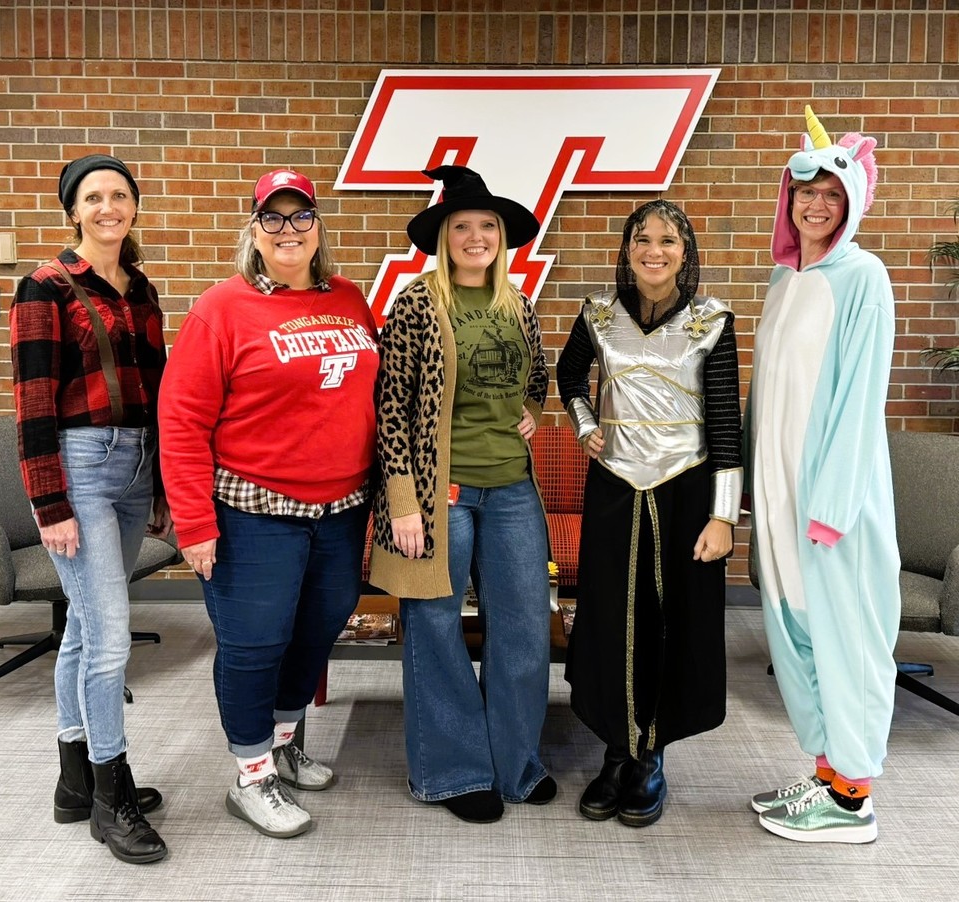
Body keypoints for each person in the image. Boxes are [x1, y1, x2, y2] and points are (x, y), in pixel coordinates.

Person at [158, 169, 378, 839]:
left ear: (318, 228)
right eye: (274, 218)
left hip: (340, 512)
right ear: (254, 231)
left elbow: (368, 401)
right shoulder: (221, 307)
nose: (289, 230)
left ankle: (282, 742)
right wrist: (194, 525)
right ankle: (250, 776)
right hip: (253, 511)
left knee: (317, 633)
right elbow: (182, 420)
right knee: (254, 646)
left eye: (301, 217)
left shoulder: (349, 298)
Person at [368, 165, 554, 824]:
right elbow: (390, 406)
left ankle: (515, 764)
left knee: (527, 627)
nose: (475, 237)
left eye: (487, 227)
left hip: (510, 489)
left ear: (501, 238)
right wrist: (400, 502)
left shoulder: (517, 303)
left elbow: (538, 368)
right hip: (438, 495)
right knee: (435, 628)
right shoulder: (418, 305)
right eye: (463, 227)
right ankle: (454, 771)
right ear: (444, 238)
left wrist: (534, 404)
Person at [556, 199, 742, 828]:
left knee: (671, 621)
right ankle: (615, 750)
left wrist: (724, 517)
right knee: (611, 619)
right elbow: (567, 375)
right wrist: (585, 425)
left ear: (685, 252)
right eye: (642, 239)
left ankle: (652, 755)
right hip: (613, 486)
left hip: (686, 490)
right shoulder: (598, 315)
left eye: (668, 239)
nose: (654, 250)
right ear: (627, 249)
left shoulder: (713, 321)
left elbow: (724, 423)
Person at [744, 106, 900, 844]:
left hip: (830, 509)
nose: (815, 204)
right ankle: (829, 772)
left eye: (831, 193)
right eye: (803, 190)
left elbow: (861, 399)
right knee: (798, 637)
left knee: (846, 639)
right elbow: (765, 395)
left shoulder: (863, 278)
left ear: (851, 202)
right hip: (780, 502)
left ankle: (854, 797)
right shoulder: (784, 283)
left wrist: (830, 507)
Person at [10, 153, 169, 864]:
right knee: (110, 638)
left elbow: (161, 397)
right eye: (94, 197)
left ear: (134, 207)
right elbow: (33, 407)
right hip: (79, 470)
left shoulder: (141, 289)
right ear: (73, 211)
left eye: (120, 195)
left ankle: (75, 782)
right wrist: (51, 505)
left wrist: (163, 484)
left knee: (83, 628)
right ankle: (113, 796)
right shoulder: (44, 286)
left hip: (136, 467)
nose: (109, 206)